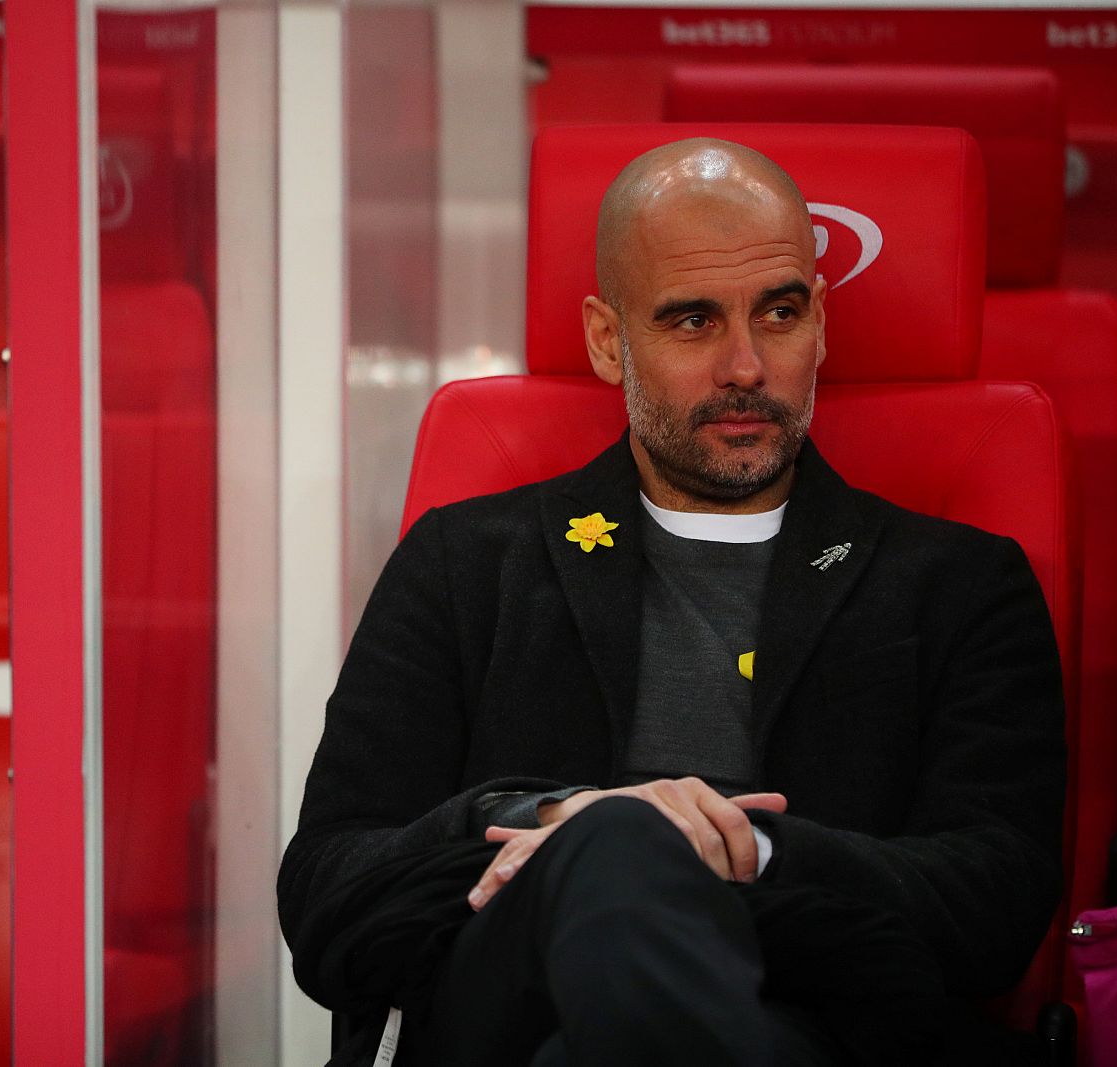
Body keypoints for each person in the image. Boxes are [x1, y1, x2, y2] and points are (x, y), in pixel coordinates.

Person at [277, 138, 1066, 1066]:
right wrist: (555, 824)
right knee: (613, 845)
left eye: (779, 311)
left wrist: (746, 850)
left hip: (817, 1011)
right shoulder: (467, 562)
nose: (745, 365)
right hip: (511, 997)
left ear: (821, 322)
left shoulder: (957, 584)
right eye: (692, 321)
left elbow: (997, 906)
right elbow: (327, 892)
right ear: (610, 342)